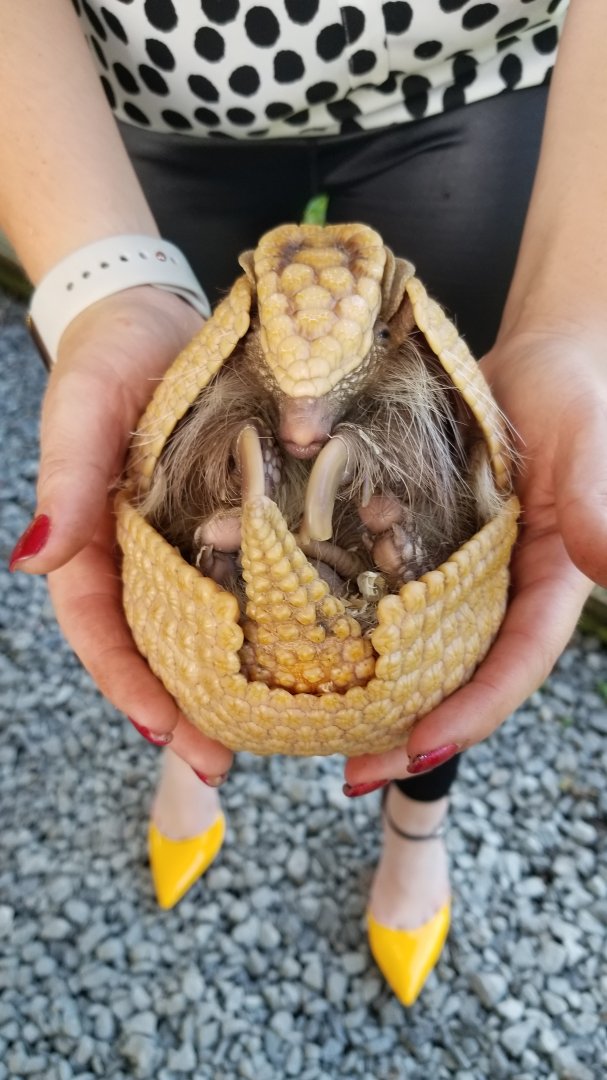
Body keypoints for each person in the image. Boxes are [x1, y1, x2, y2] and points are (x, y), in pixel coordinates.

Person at [3, 1, 607, 1007]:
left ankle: (417, 815)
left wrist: (573, 324)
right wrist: (109, 288)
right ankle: (195, 739)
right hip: (158, 83)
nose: (300, 429)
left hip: (464, 71)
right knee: (172, 468)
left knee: (453, 546)